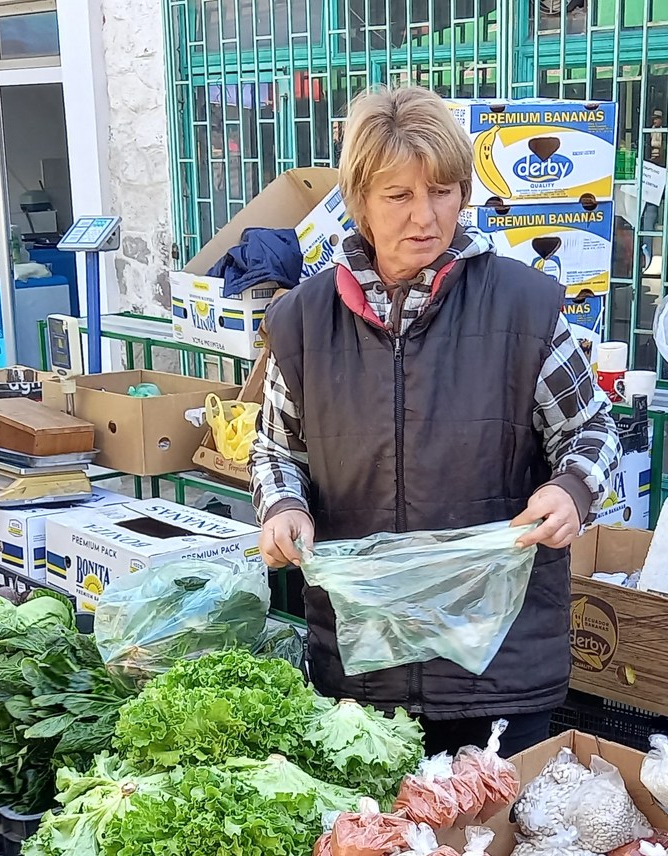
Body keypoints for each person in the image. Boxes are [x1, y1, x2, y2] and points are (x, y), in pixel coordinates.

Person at [250, 85, 622, 754]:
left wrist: (570, 491)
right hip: (364, 673)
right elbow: (279, 451)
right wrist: (282, 506)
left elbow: (591, 431)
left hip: (498, 672)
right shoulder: (303, 323)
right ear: (360, 200)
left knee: (494, 853)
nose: (426, 217)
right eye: (400, 196)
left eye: (444, 191)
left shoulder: (523, 307)